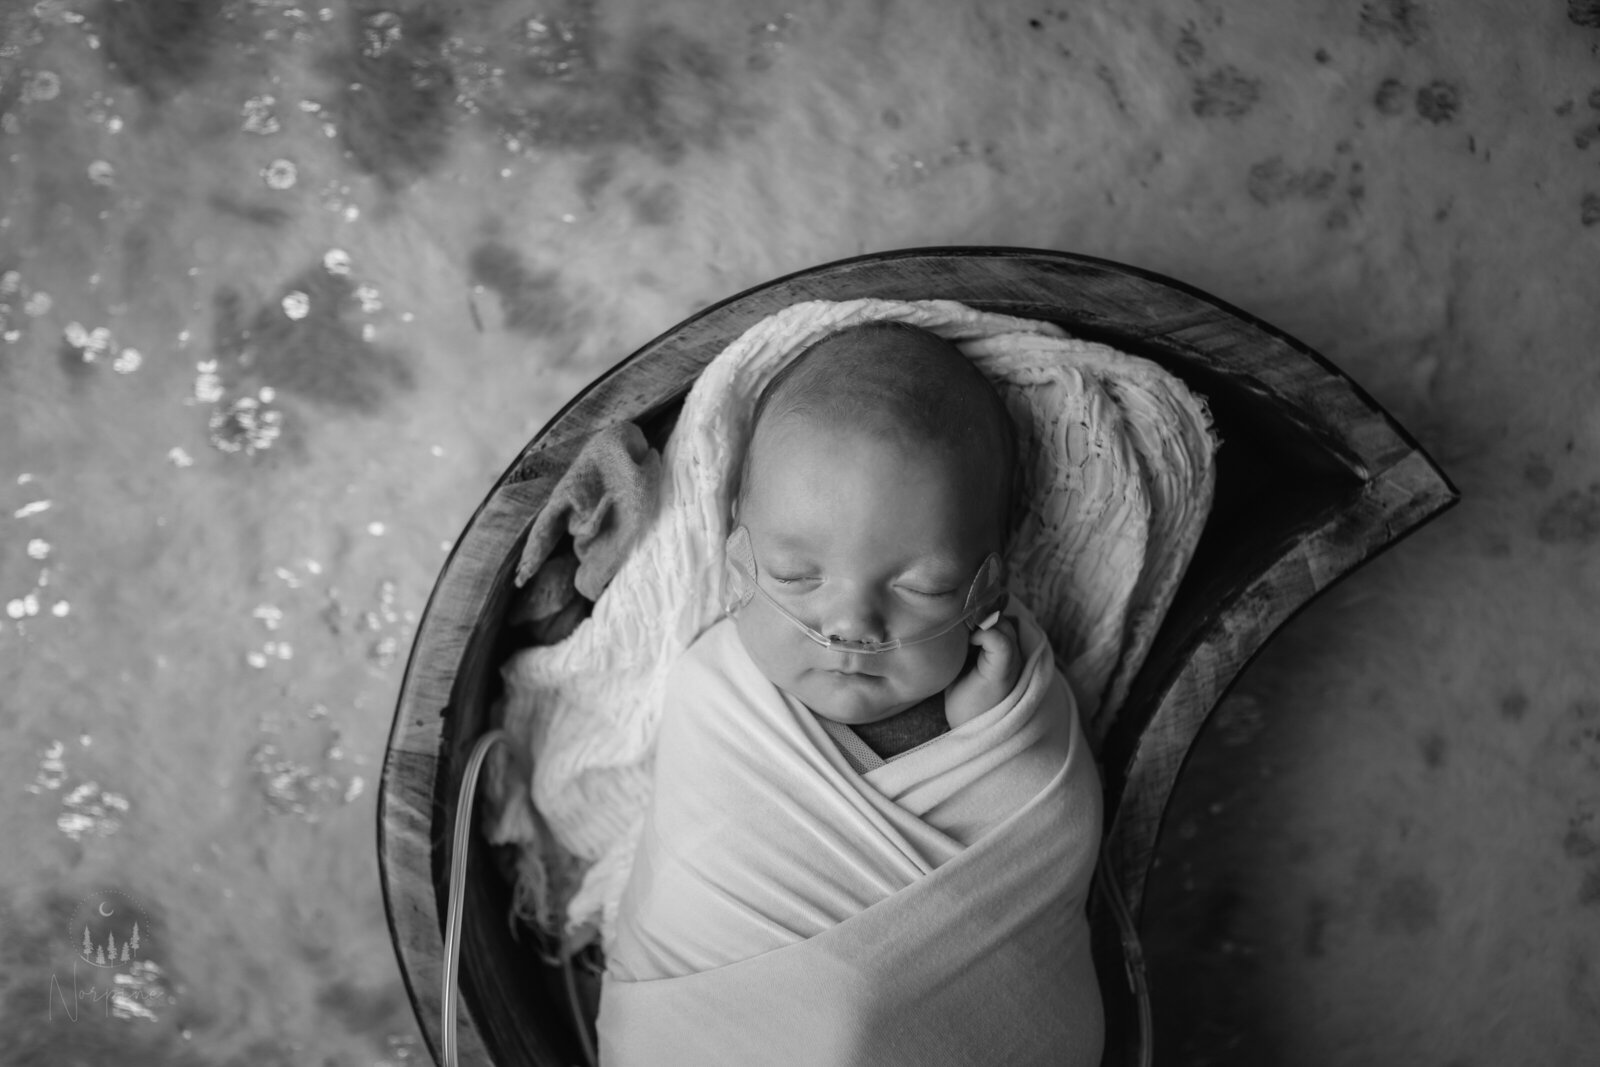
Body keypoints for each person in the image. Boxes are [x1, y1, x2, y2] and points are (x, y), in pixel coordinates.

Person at [598, 321, 1104, 1066]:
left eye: (922, 587)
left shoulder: (1008, 697)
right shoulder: (717, 693)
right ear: (740, 558)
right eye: (799, 577)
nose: (852, 624)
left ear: (986, 586)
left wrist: (1000, 731)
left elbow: (1044, 824)